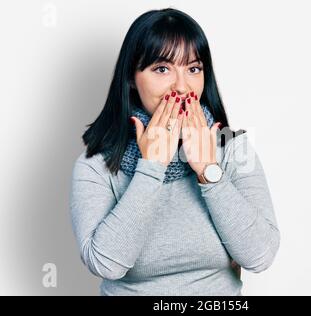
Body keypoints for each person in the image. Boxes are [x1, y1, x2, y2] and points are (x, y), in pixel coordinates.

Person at [70, 7, 280, 296]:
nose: (182, 87)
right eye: (162, 69)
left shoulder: (233, 149)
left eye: (193, 69)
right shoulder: (96, 165)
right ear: (132, 77)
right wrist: (151, 166)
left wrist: (209, 170)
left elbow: (260, 256)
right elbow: (106, 263)